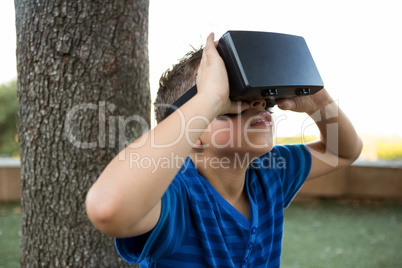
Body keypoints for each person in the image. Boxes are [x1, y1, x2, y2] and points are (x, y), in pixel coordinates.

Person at [85, 33, 362, 267]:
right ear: (192, 130)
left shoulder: (269, 172)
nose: (257, 104)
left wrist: (319, 102)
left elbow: (342, 151)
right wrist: (211, 97)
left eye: (261, 98)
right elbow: (107, 207)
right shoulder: (179, 197)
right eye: (233, 100)